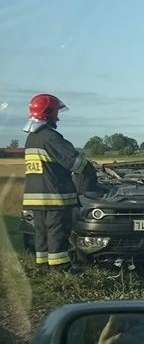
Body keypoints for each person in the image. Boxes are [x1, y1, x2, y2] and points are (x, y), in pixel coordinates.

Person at [22, 94, 97, 271]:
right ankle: (60, 268)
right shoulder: (51, 137)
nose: (58, 116)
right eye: (56, 112)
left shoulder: (32, 138)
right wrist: (89, 172)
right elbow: (76, 163)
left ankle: (43, 266)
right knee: (57, 233)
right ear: (47, 113)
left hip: (35, 199)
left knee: (42, 233)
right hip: (54, 197)